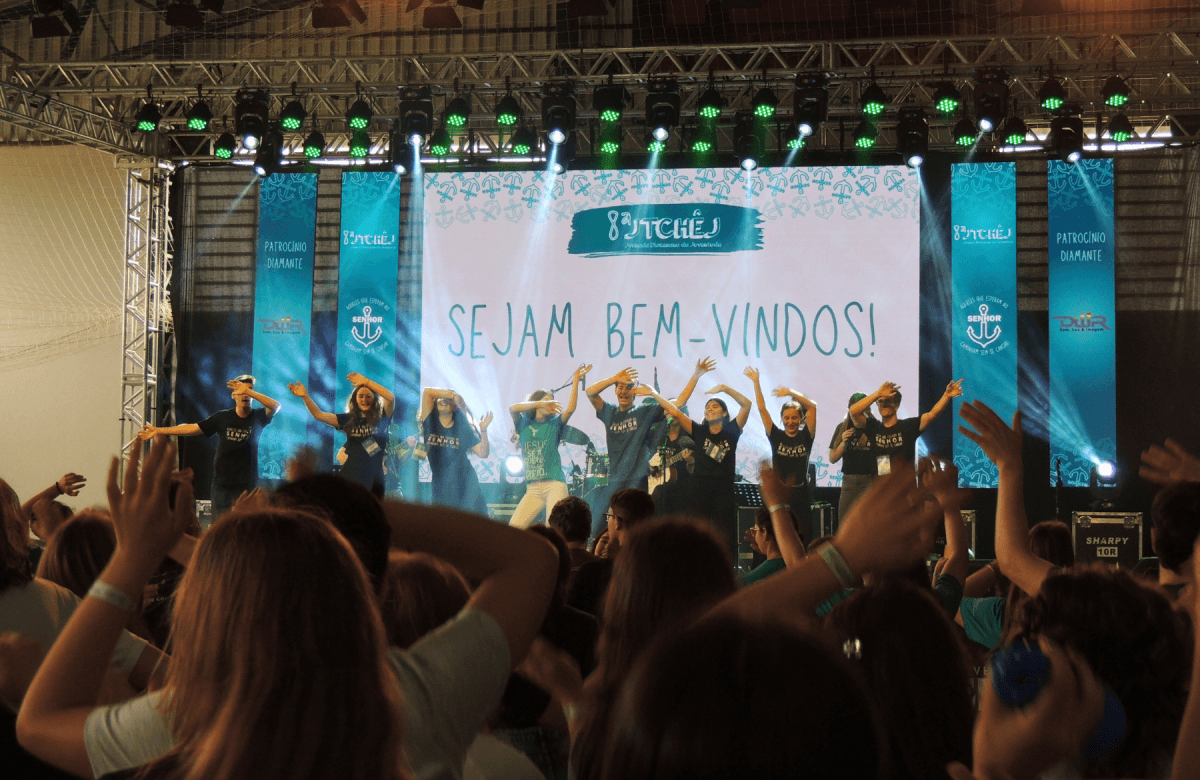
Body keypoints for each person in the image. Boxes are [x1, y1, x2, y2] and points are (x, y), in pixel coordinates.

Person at [16, 437, 560, 780]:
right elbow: (531, 562)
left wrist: (132, 557)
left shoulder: (191, 718)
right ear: (352, 589)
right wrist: (346, 504)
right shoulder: (416, 693)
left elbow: (39, 723)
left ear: (208, 607)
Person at [584, 359, 713, 537]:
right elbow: (590, 392)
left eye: (629, 387)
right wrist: (614, 377)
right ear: (614, 390)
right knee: (613, 529)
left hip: (639, 479)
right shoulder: (609, 412)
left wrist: (696, 375)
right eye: (620, 387)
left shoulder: (643, 412)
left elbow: (679, 402)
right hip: (615, 479)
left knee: (638, 529)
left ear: (635, 393)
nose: (624, 391)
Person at [139, 375, 281, 520]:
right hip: (223, 484)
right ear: (234, 395)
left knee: (246, 527)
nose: (245, 394)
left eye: (249, 390)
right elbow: (193, 427)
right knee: (220, 526)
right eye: (241, 390)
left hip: (247, 484)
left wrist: (249, 392)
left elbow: (275, 406)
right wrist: (159, 430)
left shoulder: (258, 416)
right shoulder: (222, 417)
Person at [643, 380, 751, 550]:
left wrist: (724, 388)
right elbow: (675, 412)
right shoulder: (699, 431)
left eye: (715, 406)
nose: (709, 408)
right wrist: (652, 393)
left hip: (723, 490)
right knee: (697, 536)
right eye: (707, 407)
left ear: (724, 412)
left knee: (723, 536)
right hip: (699, 489)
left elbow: (747, 404)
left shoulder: (732, 430)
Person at [508, 365, 589, 529]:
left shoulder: (554, 424)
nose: (551, 404)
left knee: (555, 530)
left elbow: (571, 408)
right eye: (547, 400)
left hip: (555, 485)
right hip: (533, 488)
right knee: (513, 529)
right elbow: (513, 408)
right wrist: (538, 402)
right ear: (536, 403)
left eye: (552, 401)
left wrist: (575, 381)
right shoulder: (523, 424)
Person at [290, 372, 395, 496]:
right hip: (349, 478)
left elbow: (390, 398)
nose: (364, 400)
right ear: (355, 399)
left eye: (368, 396)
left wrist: (365, 381)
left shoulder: (381, 417)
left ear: (374, 399)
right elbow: (319, 415)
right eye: (360, 396)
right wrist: (305, 396)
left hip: (373, 481)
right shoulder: (349, 419)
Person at [745, 367, 817, 542]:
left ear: (801, 419)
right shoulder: (776, 435)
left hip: (801, 494)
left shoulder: (806, 436)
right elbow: (762, 408)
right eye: (787, 418)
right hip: (779, 494)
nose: (790, 421)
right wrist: (756, 381)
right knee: (776, 538)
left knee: (803, 537)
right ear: (782, 418)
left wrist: (791, 392)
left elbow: (812, 406)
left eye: (794, 418)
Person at [849, 379, 964, 478]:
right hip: (881, 490)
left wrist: (946, 395)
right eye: (880, 402)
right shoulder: (873, 427)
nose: (884, 405)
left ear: (897, 405)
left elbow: (932, 414)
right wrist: (878, 393)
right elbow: (853, 412)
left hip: (905, 491)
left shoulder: (908, 426)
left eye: (888, 401)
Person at [416, 387, 492, 515]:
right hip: (441, 485)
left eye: (449, 400)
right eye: (442, 398)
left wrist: (483, 431)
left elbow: (483, 453)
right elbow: (427, 392)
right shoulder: (430, 423)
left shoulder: (462, 428)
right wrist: (452, 395)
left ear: (455, 407)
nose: (444, 399)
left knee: (473, 525)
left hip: (467, 483)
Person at [829, 393, 876, 520]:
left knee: (869, 524)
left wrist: (884, 482)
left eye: (862, 410)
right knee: (844, 523)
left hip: (870, 481)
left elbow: (884, 457)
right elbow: (832, 458)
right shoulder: (842, 427)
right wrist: (843, 443)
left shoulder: (875, 427)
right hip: (848, 482)